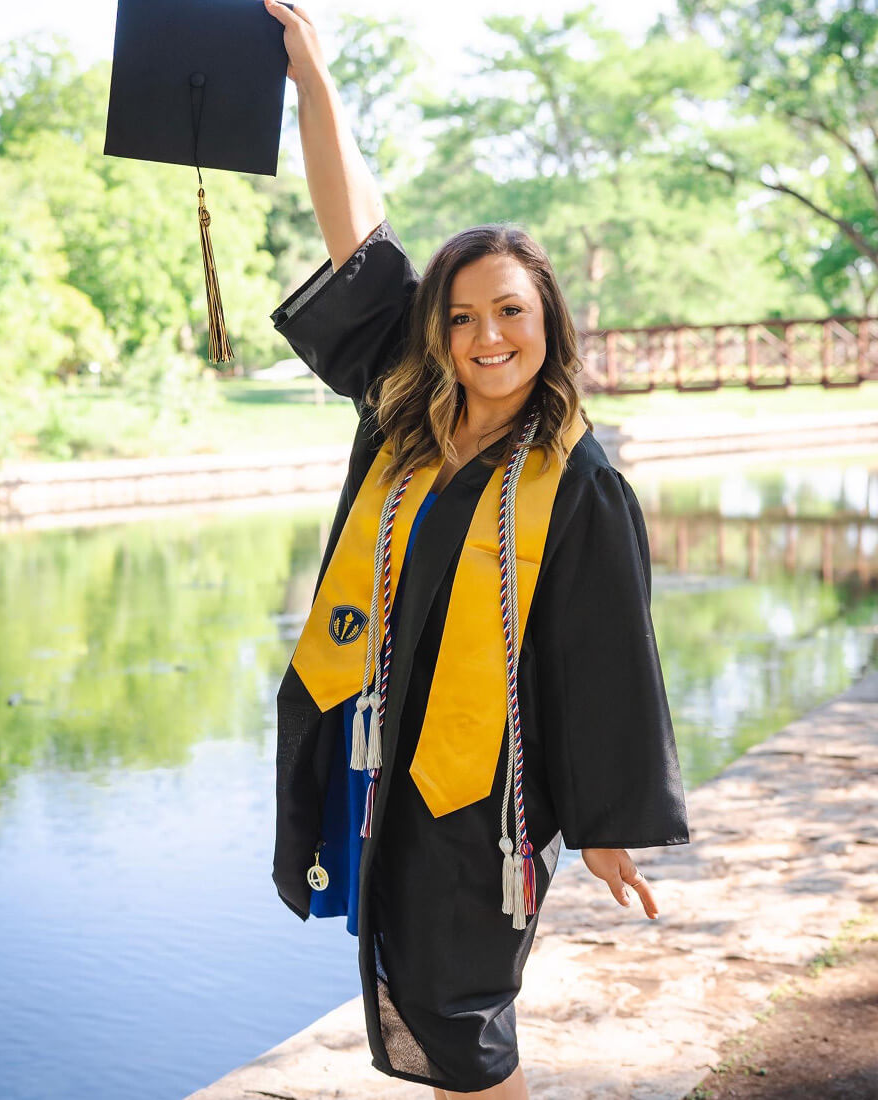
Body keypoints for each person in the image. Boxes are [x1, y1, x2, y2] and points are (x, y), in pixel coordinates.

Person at [263, 3, 691, 1097]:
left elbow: (603, 660)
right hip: (376, 754)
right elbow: (355, 234)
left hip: (482, 791)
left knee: (463, 1017)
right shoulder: (405, 412)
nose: (484, 337)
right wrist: (313, 78)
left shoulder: (577, 484)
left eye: (508, 311)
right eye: (459, 316)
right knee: (409, 989)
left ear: (547, 320)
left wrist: (599, 827)